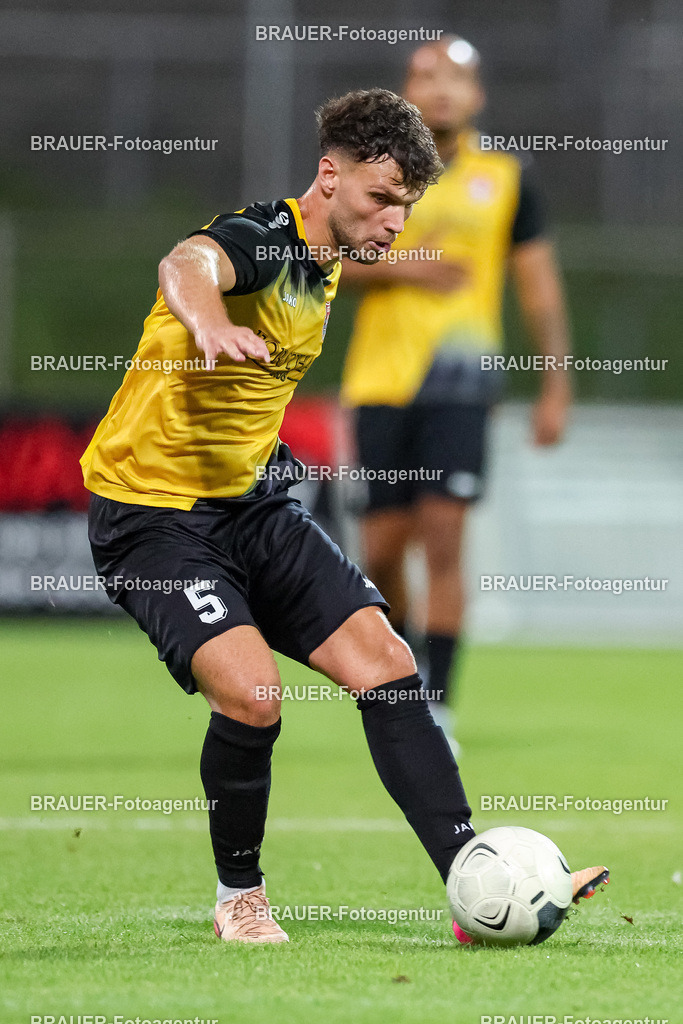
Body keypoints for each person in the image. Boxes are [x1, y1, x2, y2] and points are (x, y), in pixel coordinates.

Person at [81, 88, 604, 945]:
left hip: (250, 505)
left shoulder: (329, 263)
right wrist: (208, 320)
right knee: (253, 695)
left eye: (405, 204)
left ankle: (478, 879)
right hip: (153, 518)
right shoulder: (267, 237)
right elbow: (185, 264)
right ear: (329, 176)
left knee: (387, 660)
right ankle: (238, 896)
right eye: (380, 197)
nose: (395, 220)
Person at [341, 38, 572, 742]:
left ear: (477, 96)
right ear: (405, 92)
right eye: (425, 76)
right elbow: (322, 259)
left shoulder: (505, 178)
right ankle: (404, 669)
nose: (440, 89)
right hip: (378, 379)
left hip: (462, 380)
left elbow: (537, 286)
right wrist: (403, 270)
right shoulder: (365, 171)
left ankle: (434, 702)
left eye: (456, 78)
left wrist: (554, 384)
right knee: (380, 550)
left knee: (444, 533)